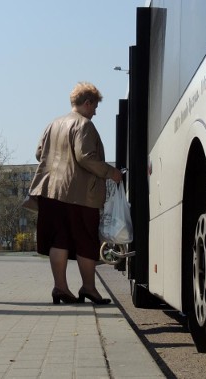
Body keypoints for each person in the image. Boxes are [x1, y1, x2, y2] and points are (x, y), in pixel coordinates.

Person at [27, 81, 122, 304]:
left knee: (58, 240)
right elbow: (85, 156)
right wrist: (111, 172)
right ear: (87, 103)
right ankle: (89, 288)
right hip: (80, 195)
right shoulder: (84, 125)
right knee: (86, 241)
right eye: (95, 107)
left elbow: (39, 152)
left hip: (50, 191)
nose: (95, 112)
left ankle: (60, 288)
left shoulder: (53, 124)